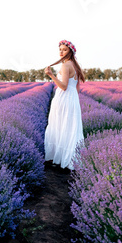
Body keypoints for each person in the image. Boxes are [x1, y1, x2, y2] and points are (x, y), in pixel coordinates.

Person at [43, 39, 85, 171]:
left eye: (64, 49)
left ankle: (58, 159)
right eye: (60, 49)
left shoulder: (65, 66)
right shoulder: (76, 66)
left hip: (64, 99)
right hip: (72, 100)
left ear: (70, 51)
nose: (61, 52)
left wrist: (51, 75)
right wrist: (73, 101)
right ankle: (67, 160)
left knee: (59, 126)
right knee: (69, 128)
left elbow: (63, 86)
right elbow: (76, 88)